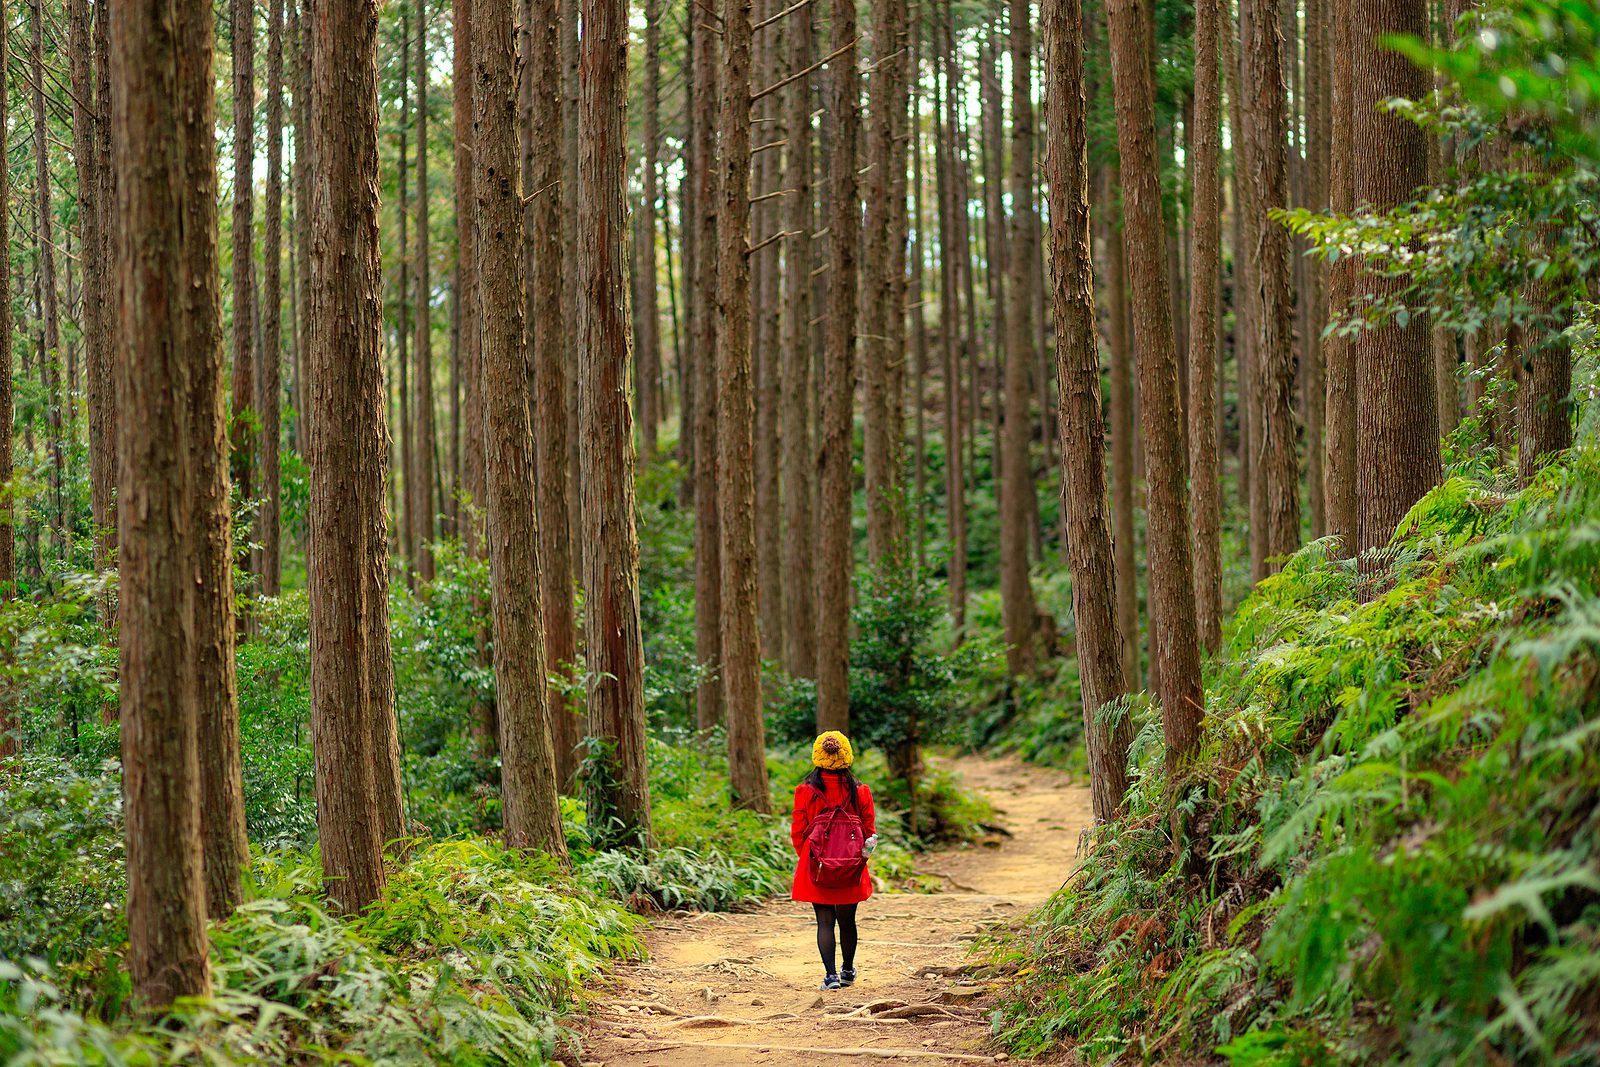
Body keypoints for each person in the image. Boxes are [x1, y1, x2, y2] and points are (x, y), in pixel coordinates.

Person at [791, 731, 878, 991]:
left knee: (825, 921)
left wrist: (809, 856)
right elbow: (869, 830)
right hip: (850, 864)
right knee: (847, 920)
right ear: (847, 756)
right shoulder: (860, 791)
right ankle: (848, 971)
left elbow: (798, 830)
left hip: (816, 864)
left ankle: (830, 977)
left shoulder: (805, 790)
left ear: (817, 756)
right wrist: (858, 859)